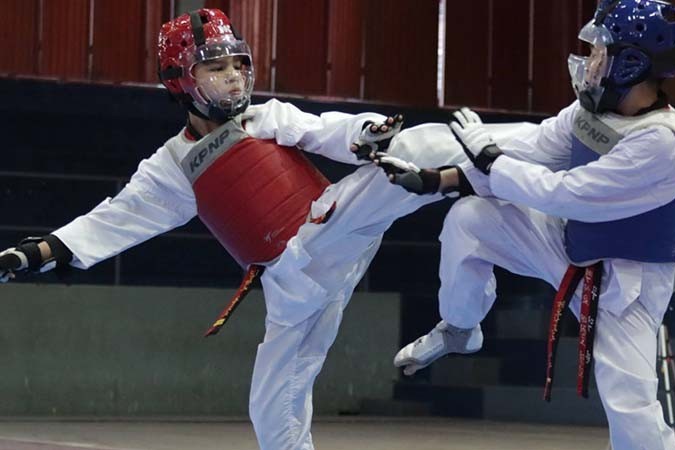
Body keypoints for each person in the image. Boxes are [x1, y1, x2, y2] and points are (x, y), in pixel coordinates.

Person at [0, 8, 476, 450]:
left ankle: (521, 154)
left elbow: (323, 130)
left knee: (419, 148)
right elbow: (115, 217)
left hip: (328, 229)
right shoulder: (172, 164)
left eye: (237, 64)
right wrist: (34, 253)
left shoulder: (265, 117)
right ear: (180, 81)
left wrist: (368, 131)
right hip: (295, 286)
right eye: (215, 68)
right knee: (271, 412)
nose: (232, 76)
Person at [375, 0, 675, 448]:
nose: (589, 61)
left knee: (630, 405)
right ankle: (460, 327)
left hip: (626, 287)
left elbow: (566, 193)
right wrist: (440, 180)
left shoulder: (663, 146)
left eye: (599, 52)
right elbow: (531, 152)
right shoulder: (589, 111)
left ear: (630, 64)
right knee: (470, 220)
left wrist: (490, 158)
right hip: (568, 246)